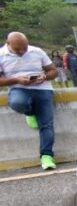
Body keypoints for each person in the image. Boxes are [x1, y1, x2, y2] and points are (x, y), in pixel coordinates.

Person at [0, 32, 60, 169]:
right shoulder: (1, 55)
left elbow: (53, 71)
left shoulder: (37, 51)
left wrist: (44, 76)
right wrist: (16, 79)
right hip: (18, 89)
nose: (22, 51)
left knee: (46, 124)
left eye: (24, 48)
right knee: (17, 103)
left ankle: (47, 156)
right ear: (7, 44)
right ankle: (29, 112)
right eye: (18, 49)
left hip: (43, 89)